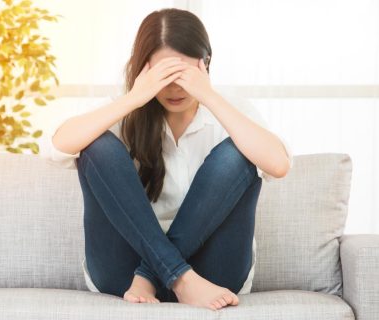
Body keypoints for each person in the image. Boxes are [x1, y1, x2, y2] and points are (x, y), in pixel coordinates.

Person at [37, 8, 293, 311]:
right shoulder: (125, 109)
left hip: (210, 275)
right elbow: (56, 147)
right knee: (97, 145)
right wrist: (135, 96)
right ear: (144, 70)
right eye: (164, 75)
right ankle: (177, 277)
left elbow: (278, 164)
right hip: (125, 275)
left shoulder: (229, 109)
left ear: (205, 64)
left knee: (238, 152)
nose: (174, 88)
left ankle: (160, 274)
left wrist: (208, 95)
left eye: (183, 74)